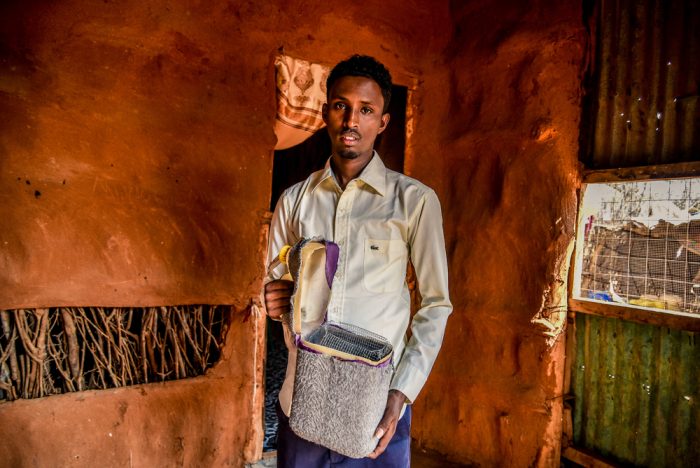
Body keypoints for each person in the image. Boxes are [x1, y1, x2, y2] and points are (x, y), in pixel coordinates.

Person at [263, 55, 452, 467]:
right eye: (341, 105)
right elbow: (275, 280)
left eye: (366, 110)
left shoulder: (414, 202)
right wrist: (276, 298)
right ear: (326, 111)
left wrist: (401, 392)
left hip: (377, 408)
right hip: (303, 402)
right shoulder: (295, 201)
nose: (352, 120)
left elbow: (436, 305)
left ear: (382, 122)